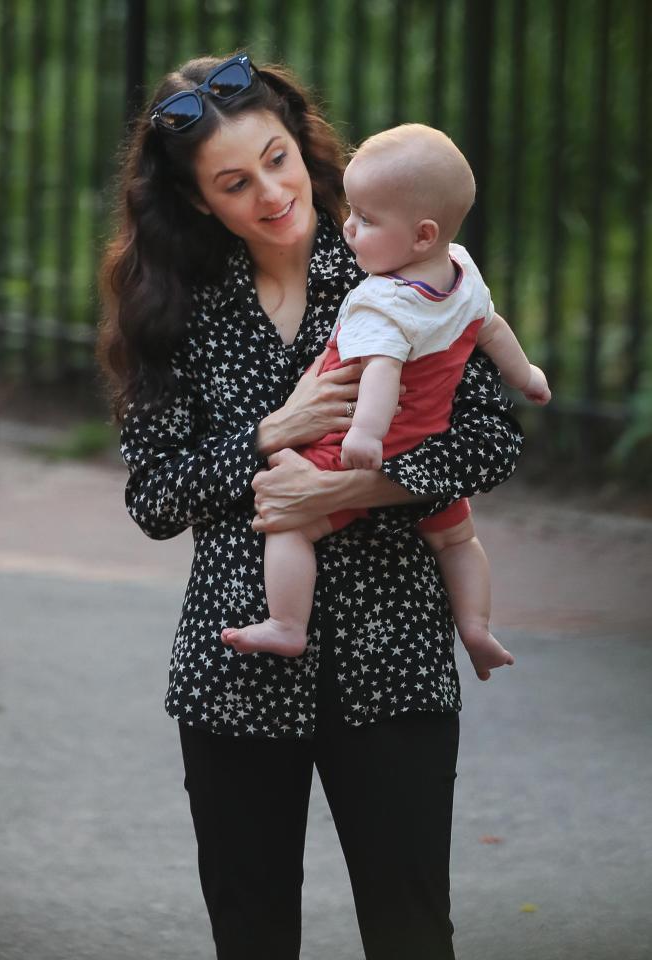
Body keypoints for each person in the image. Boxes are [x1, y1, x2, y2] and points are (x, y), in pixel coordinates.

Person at [98, 51, 524, 960]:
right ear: (198, 200)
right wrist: (267, 430)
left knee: (412, 932)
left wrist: (351, 486)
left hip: (396, 656)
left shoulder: (400, 261)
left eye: (278, 158)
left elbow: (492, 436)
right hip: (235, 666)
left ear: (306, 147)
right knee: (251, 936)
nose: (269, 192)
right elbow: (154, 497)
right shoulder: (173, 309)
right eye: (233, 181)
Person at [221, 122, 550, 681]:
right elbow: (493, 330)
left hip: (365, 443)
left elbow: (381, 374)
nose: (347, 228)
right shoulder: (463, 274)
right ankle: (475, 625)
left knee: (289, 525)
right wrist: (530, 376)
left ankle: (286, 624)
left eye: (365, 220)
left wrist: (365, 437)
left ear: (422, 235)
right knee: (458, 538)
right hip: (429, 442)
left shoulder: (380, 301)